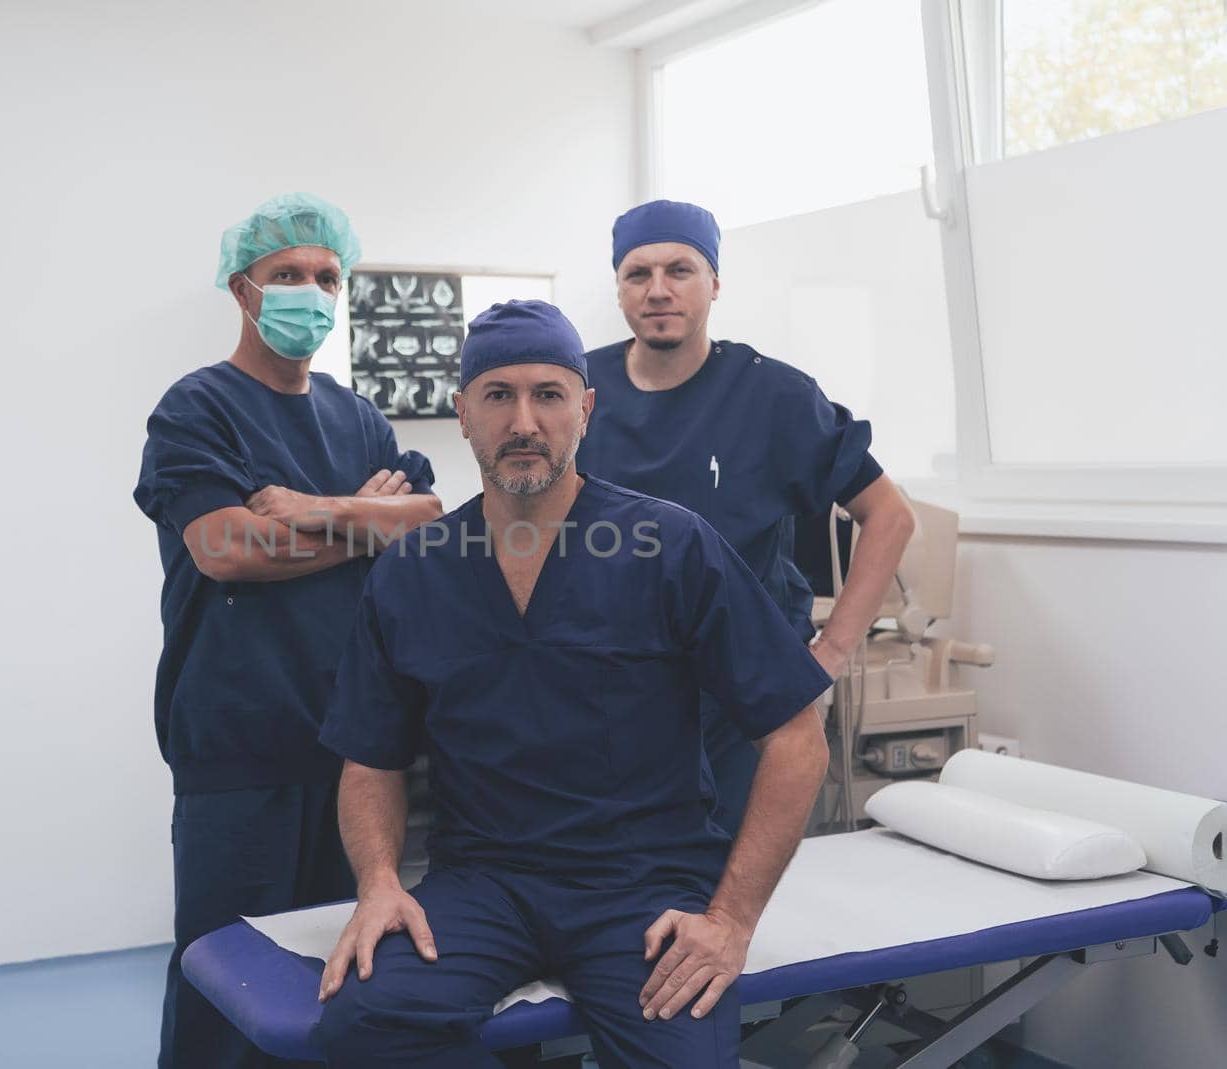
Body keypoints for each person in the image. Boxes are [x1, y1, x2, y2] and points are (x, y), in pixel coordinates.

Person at [313, 300, 830, 1067]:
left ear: (586, 408)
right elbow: (370, 759)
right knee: (364, 1022)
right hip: (484, 884)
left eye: (549, 394)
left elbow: (795, 733)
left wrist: (730, 919)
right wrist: (381, 881)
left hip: (643, 884)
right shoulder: (412, 570)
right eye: (497, 395)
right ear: (462, 413)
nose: (524, 420)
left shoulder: (670, 546)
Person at [133, 192, 443, 1069]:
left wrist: (314, 510)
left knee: (333, 972)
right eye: (288, 276)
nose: (309, 291)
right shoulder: (196, 409)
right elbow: (227, 550)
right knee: (224, 977)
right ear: (244, 289)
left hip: (354, 748)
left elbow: (428, 524)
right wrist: (363, 528)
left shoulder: (358, 416)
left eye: (325, 276)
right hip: (239, 742)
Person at [575, 200, 914, 837]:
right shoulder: (576, 389)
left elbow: (889, 517)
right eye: (637, 274)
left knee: (728, 889)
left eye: (680, 270)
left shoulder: (774, 397)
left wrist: (830, 653)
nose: (658, 291)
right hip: (609, 689)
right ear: (618, 288)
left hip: (742, 694)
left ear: (715, 284)